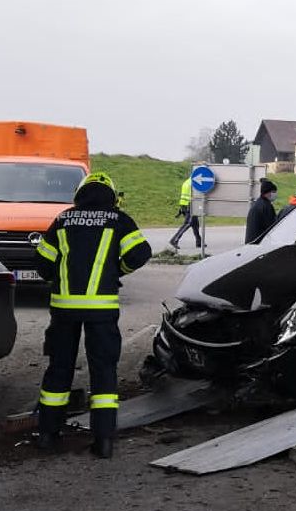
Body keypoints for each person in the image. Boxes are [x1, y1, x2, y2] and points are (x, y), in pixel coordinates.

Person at [33, 172, 152, 458]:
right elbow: (141, 254)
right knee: (104, 372)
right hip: (101, 309)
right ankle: (103, 441)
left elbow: (42, 263)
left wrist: (58, 277)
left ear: (81, 193)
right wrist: (116, 271)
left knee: (59, 368)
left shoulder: (63, 219)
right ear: (111, 195)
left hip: (63, 309)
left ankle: (48, 434)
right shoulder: (118, 220)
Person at [169, 175, 201, 250]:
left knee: (195, 224)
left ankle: (199, 242)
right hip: (190, 205)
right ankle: (174, 240)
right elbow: (196, 195)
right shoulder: (194, 183)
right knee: (188, 223)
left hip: (184, 205)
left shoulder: (186, 182)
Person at [245, 178, 278, 243]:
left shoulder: (258, 203)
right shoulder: (266, 206)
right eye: (274, 192)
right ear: (267, 192)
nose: (275, 194)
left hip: (251, 241)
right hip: (259, 243)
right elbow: (271, 227)